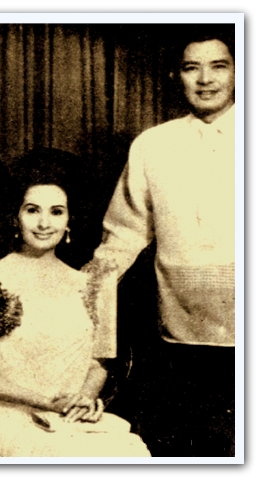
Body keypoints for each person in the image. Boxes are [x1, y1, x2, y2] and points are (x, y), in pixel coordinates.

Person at [0, 148, 150, 457]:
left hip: (69, 419)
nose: (43, 223)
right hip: (1, 419)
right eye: (32, 210)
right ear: (15, 215)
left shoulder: (93, 282)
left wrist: (84, 399)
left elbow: (97, 364)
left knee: (129, 457)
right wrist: (46, 402)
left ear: (70, 219)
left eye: (56, 212)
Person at [85, 26, 236, 456]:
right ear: (176, 76)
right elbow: (121, 237)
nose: (205, 79)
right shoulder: (153, 145)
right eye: (191, 68)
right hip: (181, 336)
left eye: (218, 66)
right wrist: (77, 291)